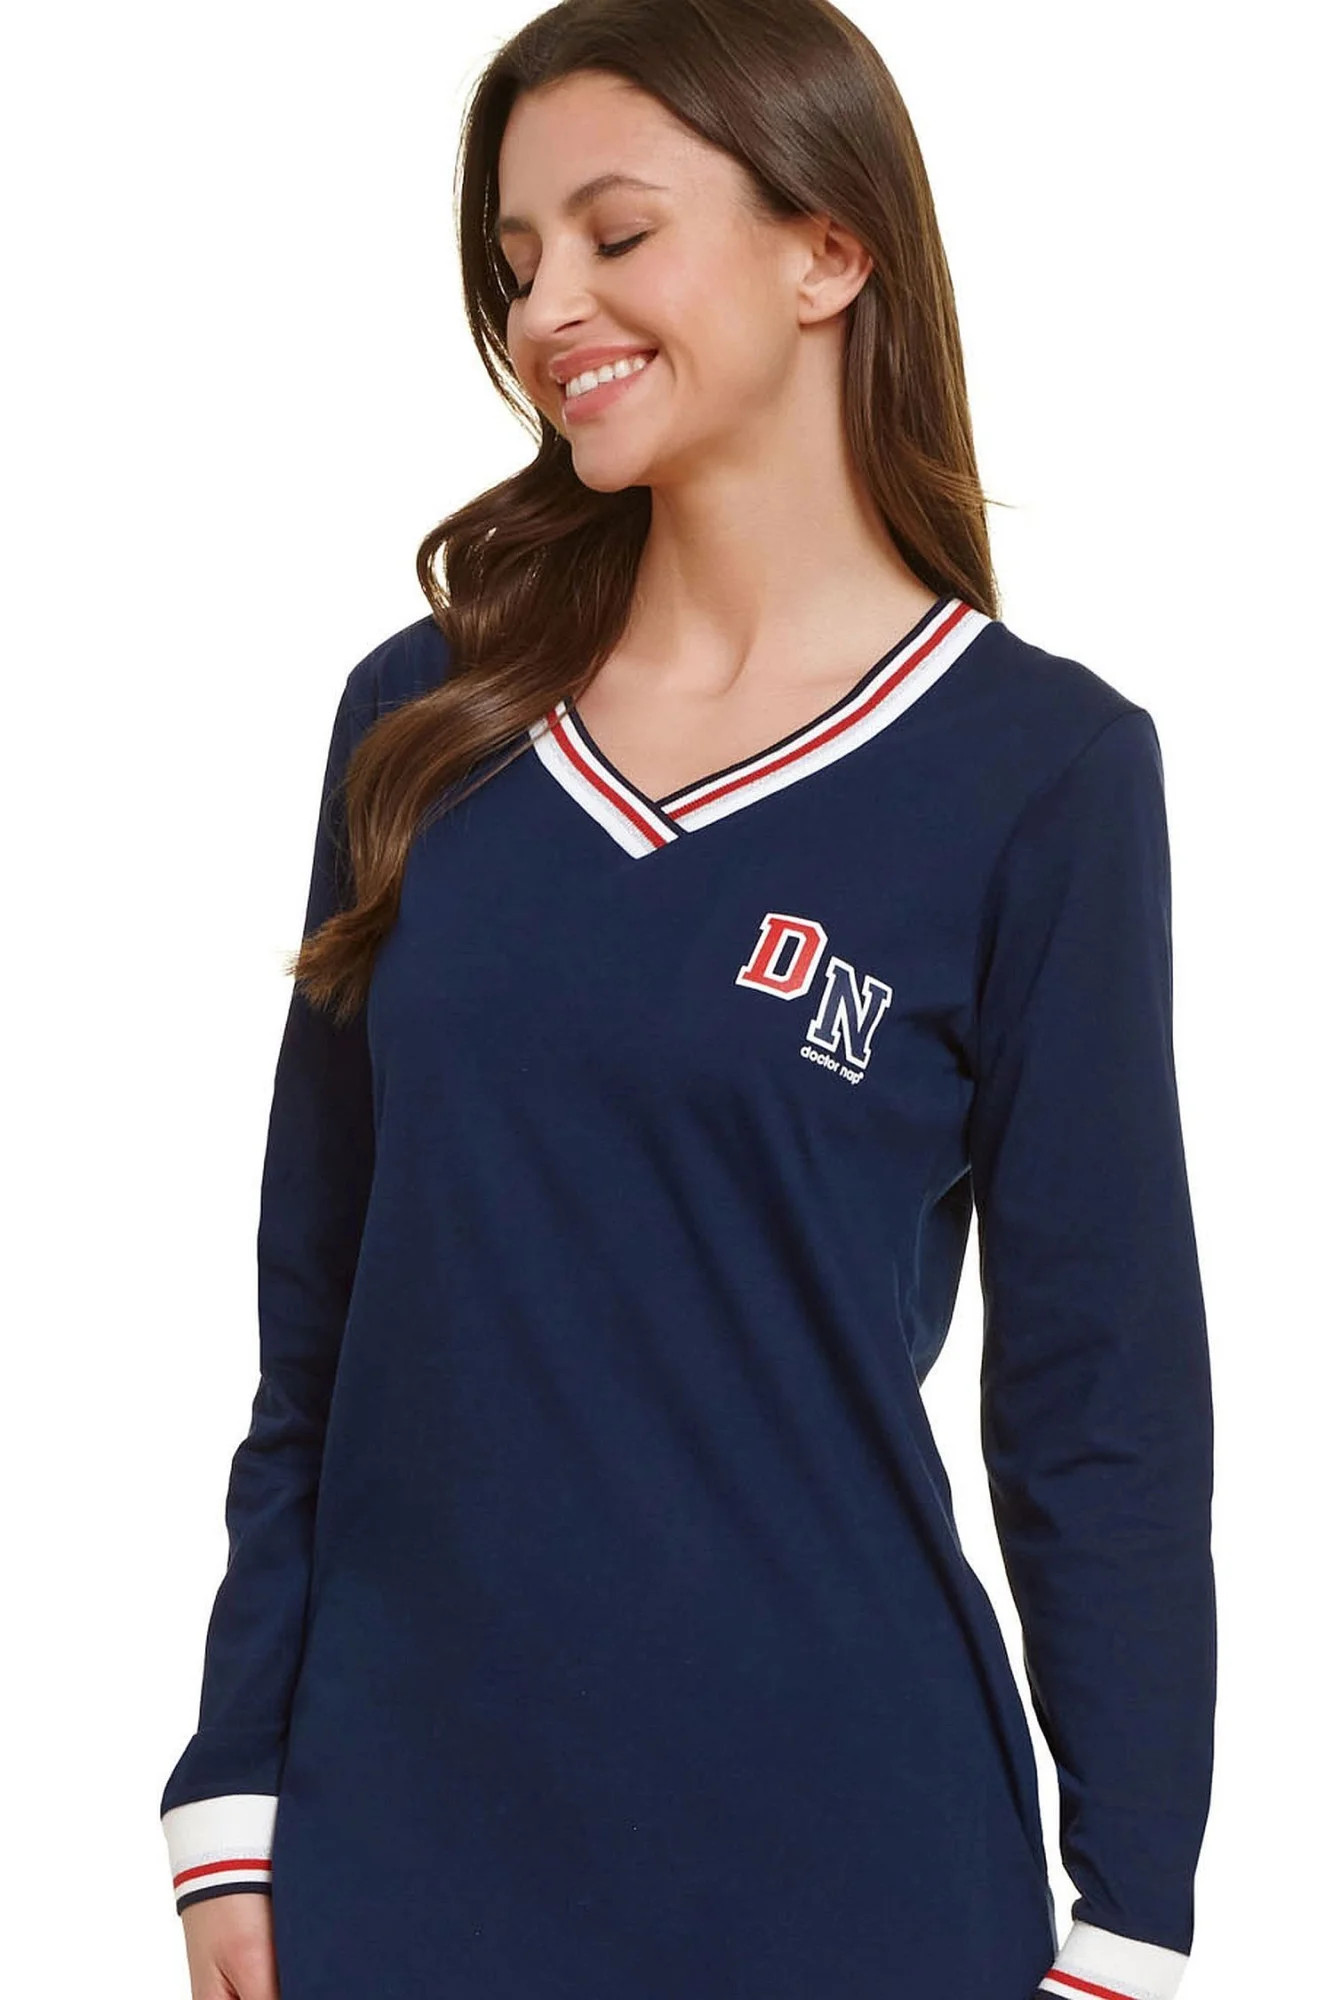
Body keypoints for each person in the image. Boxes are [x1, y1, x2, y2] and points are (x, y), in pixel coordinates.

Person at [158, 4, 1216, 1997]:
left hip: (854, 1865)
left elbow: (1101, 1402)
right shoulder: (423, 720)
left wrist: (1131, 1921)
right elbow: (319, 1314)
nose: (546, 306)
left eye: (615, 233)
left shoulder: (1042, 772)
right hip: (404, 1843)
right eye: (513, 261)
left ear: (829, 249)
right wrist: (231, 1795)